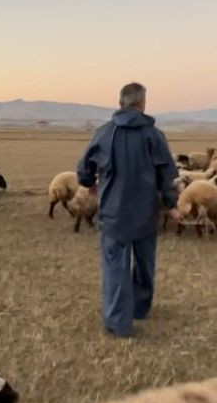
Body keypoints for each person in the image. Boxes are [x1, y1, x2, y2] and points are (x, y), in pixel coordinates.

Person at [77, 82, 181, 337]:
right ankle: (140, 308)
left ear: (120, 102)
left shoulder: (103, 133)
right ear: (142, 103)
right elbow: (169, 175)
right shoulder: (154, 135)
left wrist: (90, 184)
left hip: (114, 214)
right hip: (146, 213)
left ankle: (118, 323)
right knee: (145, 264)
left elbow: (83, 169)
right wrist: (171, 204)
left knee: (115, 268)